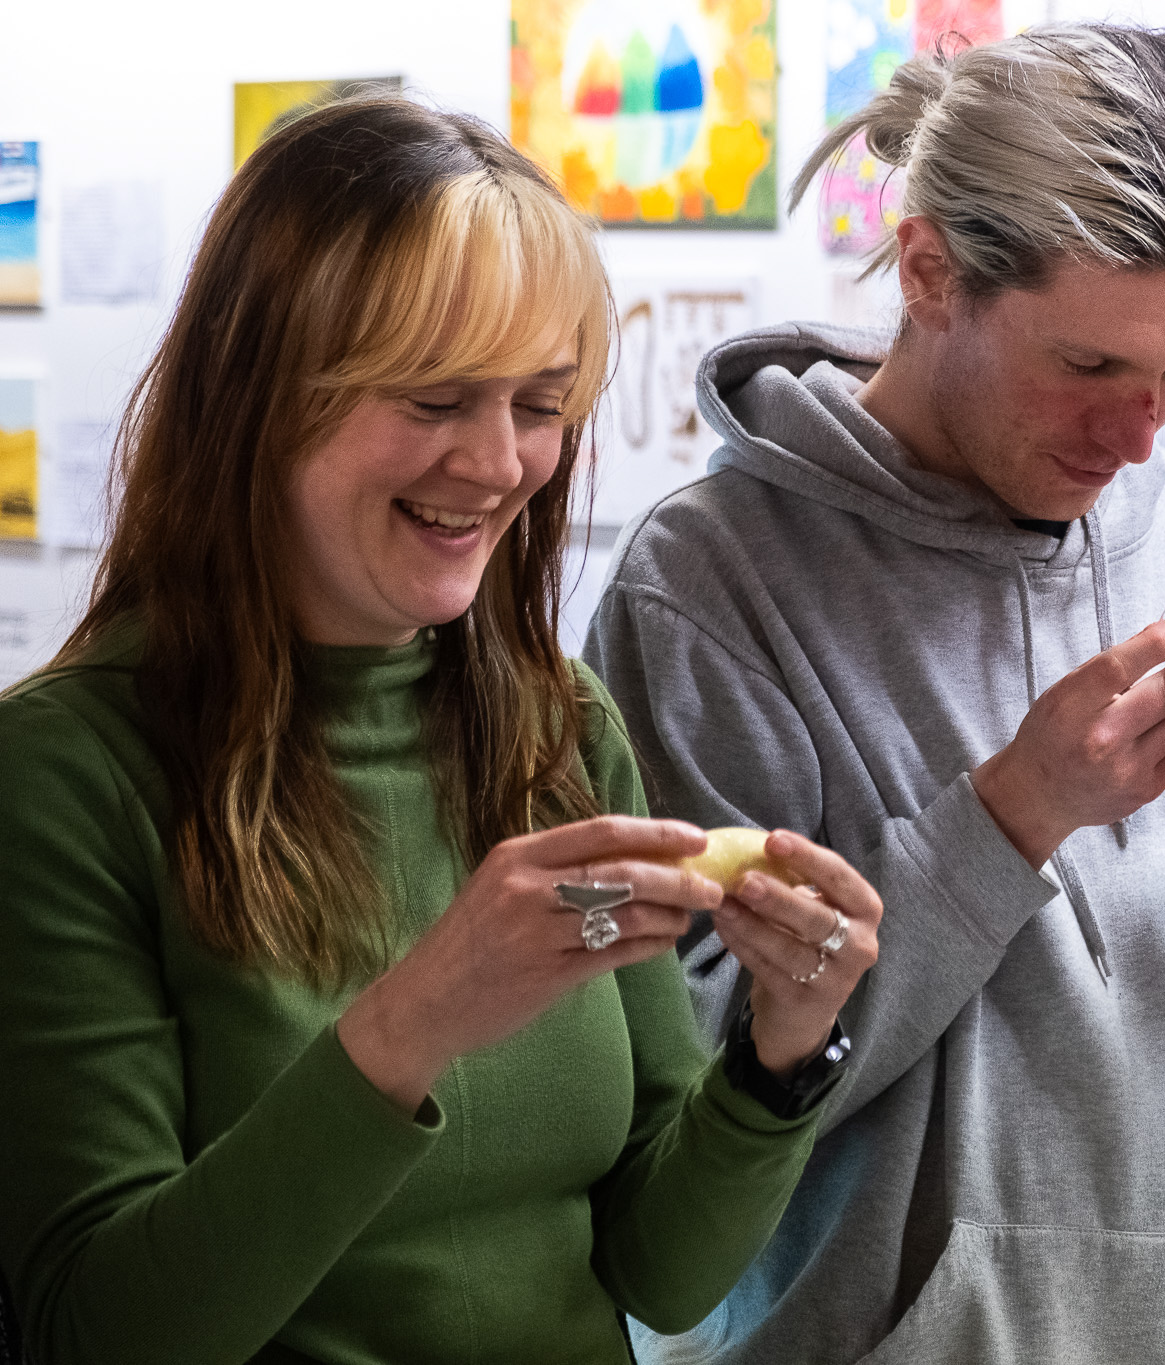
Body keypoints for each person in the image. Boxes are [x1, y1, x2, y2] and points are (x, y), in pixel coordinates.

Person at [583, 23, 1165, 1364]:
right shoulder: (705, 587)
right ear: (931, 269)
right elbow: (688, 1115)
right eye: (1091, 366)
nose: (1141, 436)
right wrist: (1005, 821)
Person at [0, 97, 883, 1365]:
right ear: (256, 397)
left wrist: (783, 1054)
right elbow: (106, 1328)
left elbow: (660, 1269)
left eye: (538, 402)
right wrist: (414, 1021)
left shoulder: (556, 729)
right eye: (433, 399)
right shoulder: (64, 775)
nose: (497, 461)